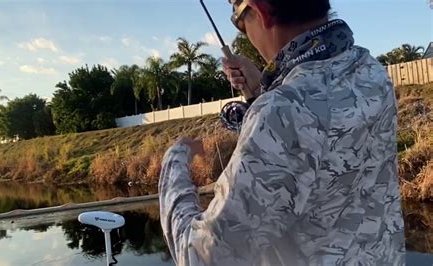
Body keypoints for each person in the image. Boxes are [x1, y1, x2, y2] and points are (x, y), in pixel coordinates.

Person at [159, 0, 406, 265]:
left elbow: (200, 256)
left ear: (261, 11)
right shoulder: (371, 71)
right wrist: (261, 91)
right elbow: (313, 139)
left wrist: (175, 159)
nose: (245, 32)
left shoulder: (282, 111)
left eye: (239, 20)